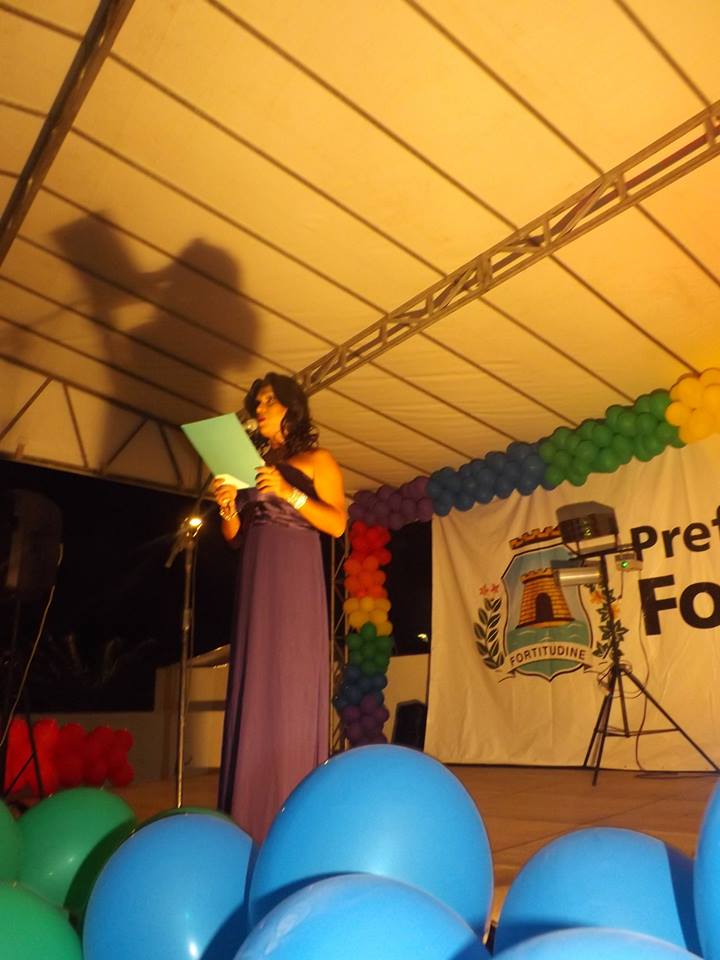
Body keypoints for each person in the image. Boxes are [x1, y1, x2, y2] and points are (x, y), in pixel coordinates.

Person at [213, 372, 346, 842]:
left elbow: (336, 524)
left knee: (288, 685)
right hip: (256, 575)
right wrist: (227, 507)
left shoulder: (318, 460)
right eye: (257, 402)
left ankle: (290, 818)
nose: (260, 408)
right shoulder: (251, 466)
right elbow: (236, 537)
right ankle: (244, 817)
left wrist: (290, 492)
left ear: (292, 407)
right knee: (256, 680)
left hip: (294, 576)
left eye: (269, 400)